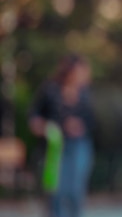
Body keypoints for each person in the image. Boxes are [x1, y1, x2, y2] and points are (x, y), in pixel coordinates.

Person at [29, 53, 95, 217]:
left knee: (75, 189)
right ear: (69, 71)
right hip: (55, 146)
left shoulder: (85, 93)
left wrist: (80, 126)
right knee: (56, 190)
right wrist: (48, 126)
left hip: (79, 144)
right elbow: (34, 116)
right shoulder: (50, 89)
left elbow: (92, 121)